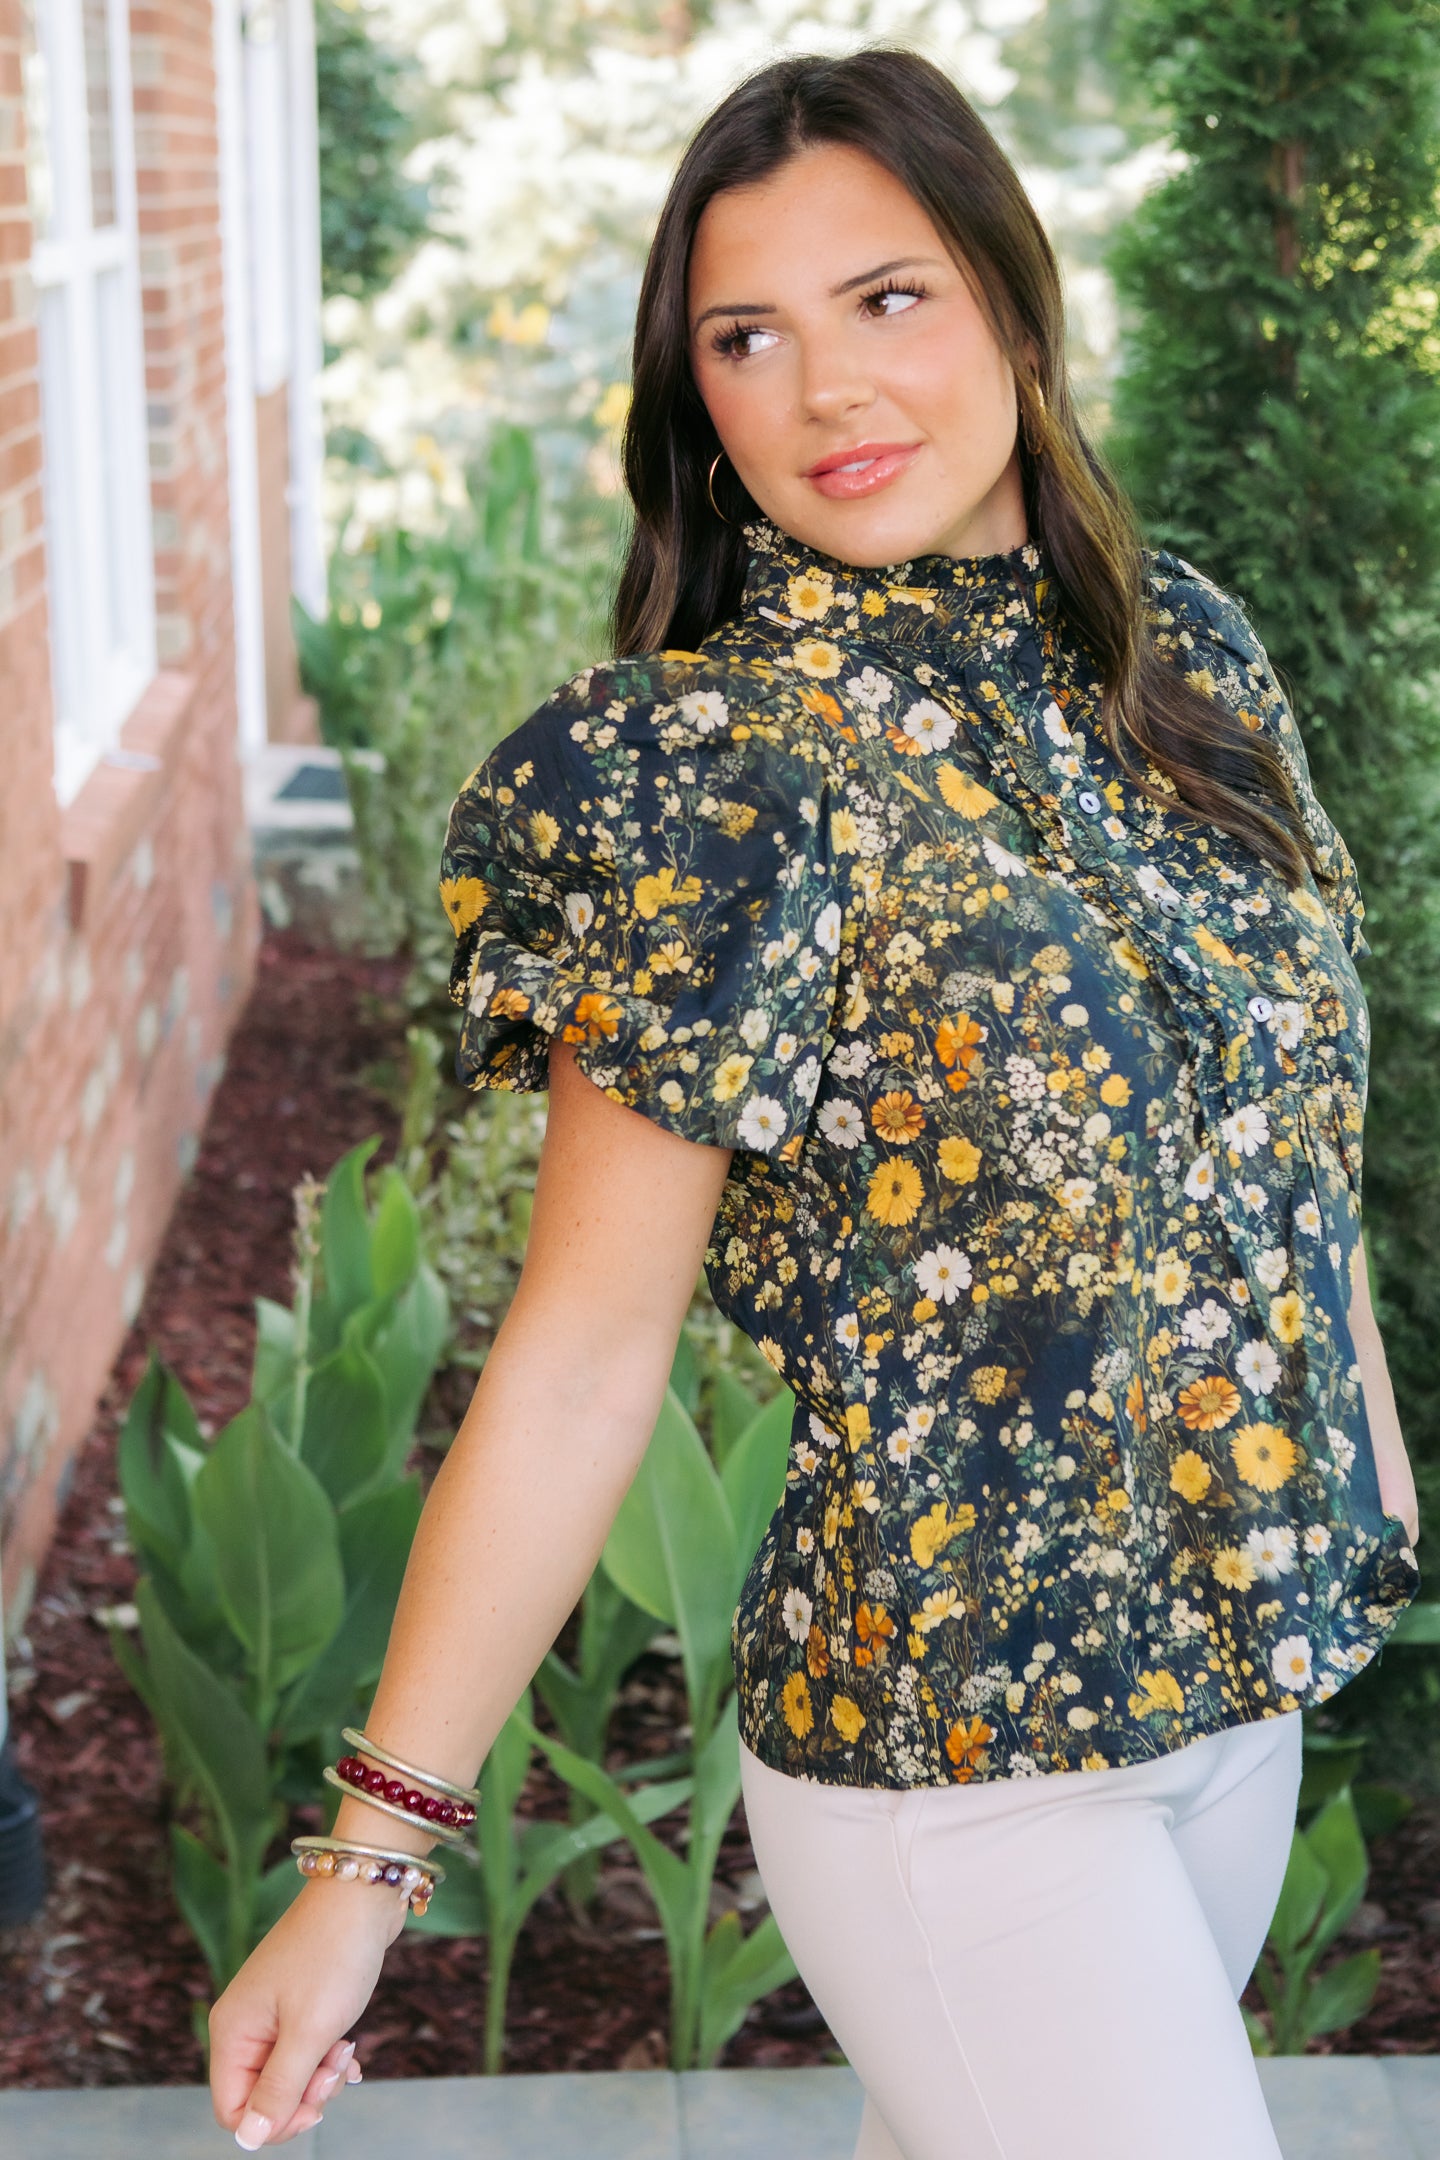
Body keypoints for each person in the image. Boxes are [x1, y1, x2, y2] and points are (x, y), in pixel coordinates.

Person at [208, 46, 1423, 2158]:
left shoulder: (1188, 661)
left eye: (891, 300)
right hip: (959, 1771)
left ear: (1014, 309)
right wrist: (367, 1868)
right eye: (746, 339)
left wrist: (1375, 1504)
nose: (826, 390)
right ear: (702, 407)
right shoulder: (715, 780)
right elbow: (587, 1359)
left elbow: (1290, 1144)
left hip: (1236, 1715)